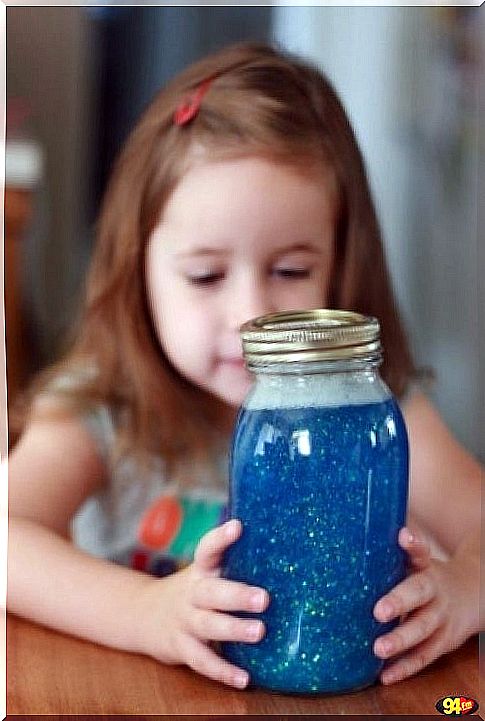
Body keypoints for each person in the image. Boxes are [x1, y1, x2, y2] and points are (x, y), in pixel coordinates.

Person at [8, 41, 481, 691]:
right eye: (205, 274)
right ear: (136, 271)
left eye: (290, 270)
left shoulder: (375, 407)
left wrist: (464, 587)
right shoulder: (101, 406)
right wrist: (142, 610)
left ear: (341, 264)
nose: (251, 314)